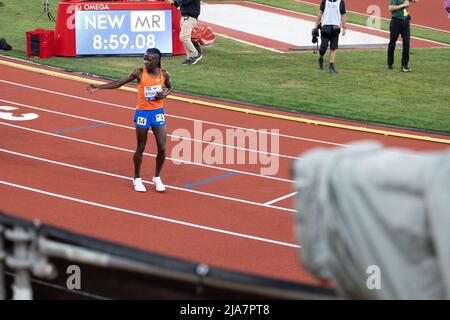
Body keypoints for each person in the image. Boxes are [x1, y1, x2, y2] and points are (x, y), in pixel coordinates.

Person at [87, 48, 172, 193]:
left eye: (149, 59)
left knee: (162, 148)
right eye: (145, 58)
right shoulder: (138, 72)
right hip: (142, 113)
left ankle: (157, 177)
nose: (146, 61)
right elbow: (120, 82)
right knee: (141, 147)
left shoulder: (163, 74)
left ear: (157, 60)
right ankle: (137, 178)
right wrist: (100, 87)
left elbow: (170, 87)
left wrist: (164, 94)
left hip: (158, 113)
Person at [312, 0, 347, 74]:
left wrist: (344, 28)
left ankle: (331, 66)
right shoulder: (325, 1)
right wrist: (315, 26)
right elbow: (320, 13)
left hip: (335, 28)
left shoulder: (341, 2)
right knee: (323, 48)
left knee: (333, 47)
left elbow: (343, 15)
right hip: (325, 27)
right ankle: (321, 58)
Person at [387, 0, 419, 72]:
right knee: (392, 43)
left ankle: (404, 66)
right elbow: (390, 8)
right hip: (396, 22)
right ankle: (390, 63)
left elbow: (417, 1)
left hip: (406, 22)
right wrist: (403, 5)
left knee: (407, 43)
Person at [169, 0, 203, 65]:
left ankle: (195, 54)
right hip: (184, 17)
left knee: (183, 37)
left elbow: (184, 2)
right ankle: (190, 57)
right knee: (186, 37)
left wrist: (176, 2)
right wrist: (174, 3)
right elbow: (180, 3)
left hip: (190, 18)